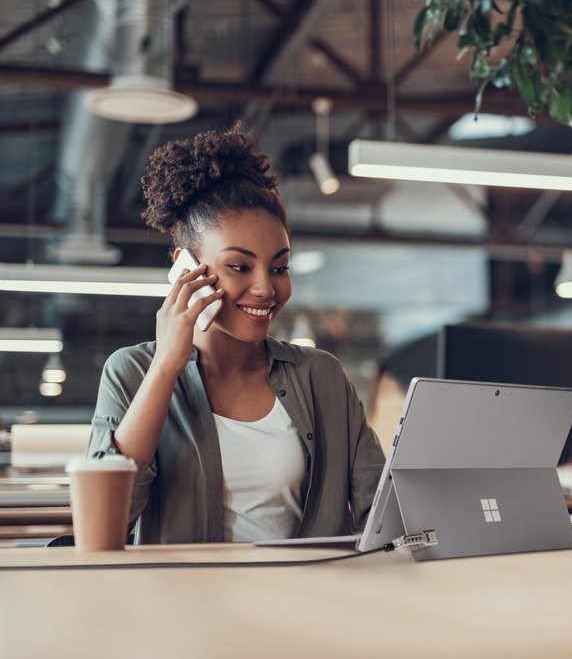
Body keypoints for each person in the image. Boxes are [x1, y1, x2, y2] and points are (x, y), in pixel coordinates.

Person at [87, 124, 386, 544]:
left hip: (311, 599)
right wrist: (166, 365)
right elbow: (106, 524)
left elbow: (385, 508)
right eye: (240, 267)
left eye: (279, 267)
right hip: (186, 602)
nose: (266, 287)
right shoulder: (132, 371)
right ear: (186, 267)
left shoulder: (321, 375)